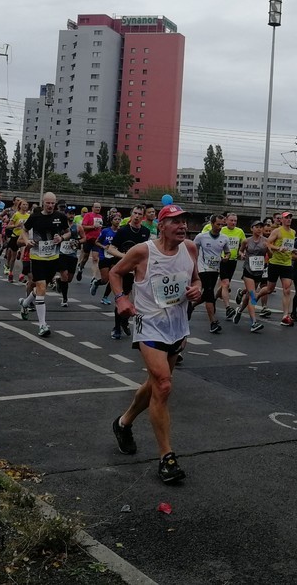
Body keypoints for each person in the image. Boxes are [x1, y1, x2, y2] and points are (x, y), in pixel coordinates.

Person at [109, 203, 202, 483]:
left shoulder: (190, 249)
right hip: (147, 323)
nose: (182, 226)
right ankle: (166, 458)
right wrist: (121, 299)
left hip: (176, 326)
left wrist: (197, 290)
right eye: (174, 221)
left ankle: (123, 422)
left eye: (184, 221)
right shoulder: (143, 252)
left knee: (155, 384)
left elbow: (196, 280)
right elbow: (115, 273)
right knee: (163, 384)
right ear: (160, 225)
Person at [18, 192, 70, 337]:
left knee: (42, 288)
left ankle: (24, 303)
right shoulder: (35, 217)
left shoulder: (60, 217)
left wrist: (62, 237)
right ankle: (42, 325)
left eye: (53, 203)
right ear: (43, 202)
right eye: (48, 203)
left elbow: (68, 232)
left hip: (53, 258)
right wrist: (27, 240)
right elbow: (24, 230)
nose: (50, 205)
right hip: (38, 258)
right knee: (41, 288)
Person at [106, 205, 149, 341]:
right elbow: (110, 249)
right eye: (135, 213)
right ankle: (117, 327)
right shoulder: (123, 231)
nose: (137, 216)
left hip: (137, 272)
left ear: (143, 217)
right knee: (121, 298)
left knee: (134, 300)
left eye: (139, 214)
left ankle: (125, 322)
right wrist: (125, 257)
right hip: (123, 269)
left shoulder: (145, 232)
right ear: (131, 215)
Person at [193, 213, 230, 333]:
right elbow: (193, 249)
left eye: (221, 224)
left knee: (206, 294)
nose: (220, 227)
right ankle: (213, 322)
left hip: (215, 269)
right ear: (212, 223)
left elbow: (227, 252)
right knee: (209, 293)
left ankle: (190, 306)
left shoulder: (224, 238)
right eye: (217, 224)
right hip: (203, 268)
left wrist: (226, 257)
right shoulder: (201, 237)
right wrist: (194, 264)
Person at [236, 220, 269, 333]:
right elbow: (240, 251)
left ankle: (239, 310)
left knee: (249, 296)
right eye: (257, 227)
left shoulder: (266, 241)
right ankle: (254, 322)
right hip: (248, 271)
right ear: (252, 229)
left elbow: (271, 255)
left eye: (261, 227)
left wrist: (268, 248)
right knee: (253, 296)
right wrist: (242, 254)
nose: (259, 229)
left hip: (259, 271)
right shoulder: (246, 241)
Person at [266, 212, 297, 327]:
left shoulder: (293, 232)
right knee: (269, 289)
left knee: (287, 289)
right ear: (282, 220)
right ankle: (255, 297)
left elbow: (288, 247)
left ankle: (285, 316)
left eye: (290, 218)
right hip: (275, 263)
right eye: (286, 218)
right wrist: (278, 248)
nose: (288, 220)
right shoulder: (277, 231)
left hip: (287, 263)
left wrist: (293, 250)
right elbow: (268, 243)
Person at [214, 212, 246, 316]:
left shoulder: (239, 231)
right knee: (226, 284)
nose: (233, 222)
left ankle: (213, 299)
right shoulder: (222, 230)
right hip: (223, 260)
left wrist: (242, 252)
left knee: (224, 284)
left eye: (235, 221)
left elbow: (244, 243)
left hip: (233, 261)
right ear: (226, 221)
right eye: (231, 220)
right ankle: (228, 308)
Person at [91, 211, 121, 307]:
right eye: (115, 219)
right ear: (111, 221)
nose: (117, 221)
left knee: (113, 278)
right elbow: (97, 242)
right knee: (105, 279)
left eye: (119, 219)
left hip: (115, 257)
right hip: (104, 257)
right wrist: (103, 247)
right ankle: (97, 283)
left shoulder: (121, 232)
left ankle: (105, 297)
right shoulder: (105, 231)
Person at [76, 202, 105, 282]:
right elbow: (83, 227)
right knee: (85, 257)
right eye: (96, 207)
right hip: (88, 239)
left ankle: (93, 277)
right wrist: (92, 227)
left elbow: (100, 228)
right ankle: (80, 268)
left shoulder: (100, 216)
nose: (98, 209)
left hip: (96, 240)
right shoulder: (88, 215)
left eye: (99, 207)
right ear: (92, 208)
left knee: (95, 259)